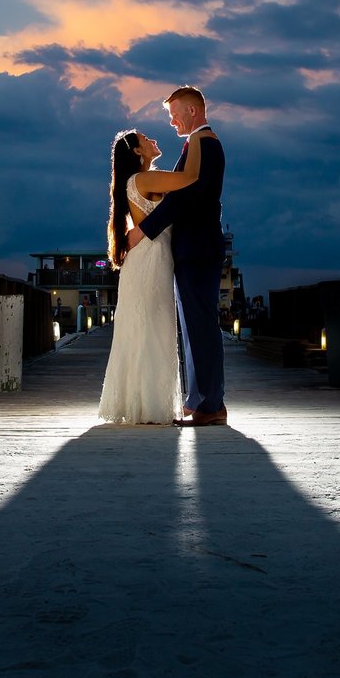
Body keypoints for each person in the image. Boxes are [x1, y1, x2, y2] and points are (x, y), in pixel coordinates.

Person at [129, 86, 227, 427]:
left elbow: (187, 198)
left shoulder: (207, 144)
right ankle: (201, 399)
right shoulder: (197, 145)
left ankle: (211, 405)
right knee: (193, 326)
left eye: (174, 114)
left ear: (192, 112)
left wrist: (145, 229)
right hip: (192, 248)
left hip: (199, 248)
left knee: (201, 326)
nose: (171, 122)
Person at [98, 129, 203, 424]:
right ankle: (148, 406)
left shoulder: (135, 182)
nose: (154, 140)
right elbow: (190, 177)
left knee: (145, 331)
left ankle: (141, 405)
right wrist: (196, 139)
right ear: (137, 152)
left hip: (147, 260)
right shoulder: (143, 179)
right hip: (151, 260)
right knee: (153, 330)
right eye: (146, 140)